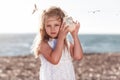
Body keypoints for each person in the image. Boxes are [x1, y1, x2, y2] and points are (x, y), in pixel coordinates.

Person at [31, 6, 83, 80]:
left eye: (56, 25)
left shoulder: (66, 44)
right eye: (48, 26)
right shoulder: (43, 44)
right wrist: (61, 38)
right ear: (44, 27)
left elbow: (78, 56)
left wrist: (75, 35)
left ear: (63, 25)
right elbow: (55, 60)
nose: (53, 29)